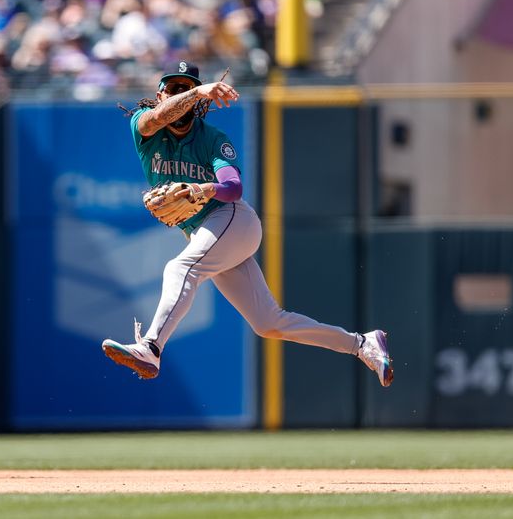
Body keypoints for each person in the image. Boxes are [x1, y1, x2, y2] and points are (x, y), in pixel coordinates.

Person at [101, 61, 393, 388]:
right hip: (207, 235)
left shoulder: (212, 138)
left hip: (234, 221)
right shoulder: (144, 128)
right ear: (160, 95)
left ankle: (150, 347)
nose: (181, 95)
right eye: (174, 89)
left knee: (180, 269)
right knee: (269, 323)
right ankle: (362, 344)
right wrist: (198, 91)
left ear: (199, 102)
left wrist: (205, 188)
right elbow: (158, 117)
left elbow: (233, 188)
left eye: (188, 89)